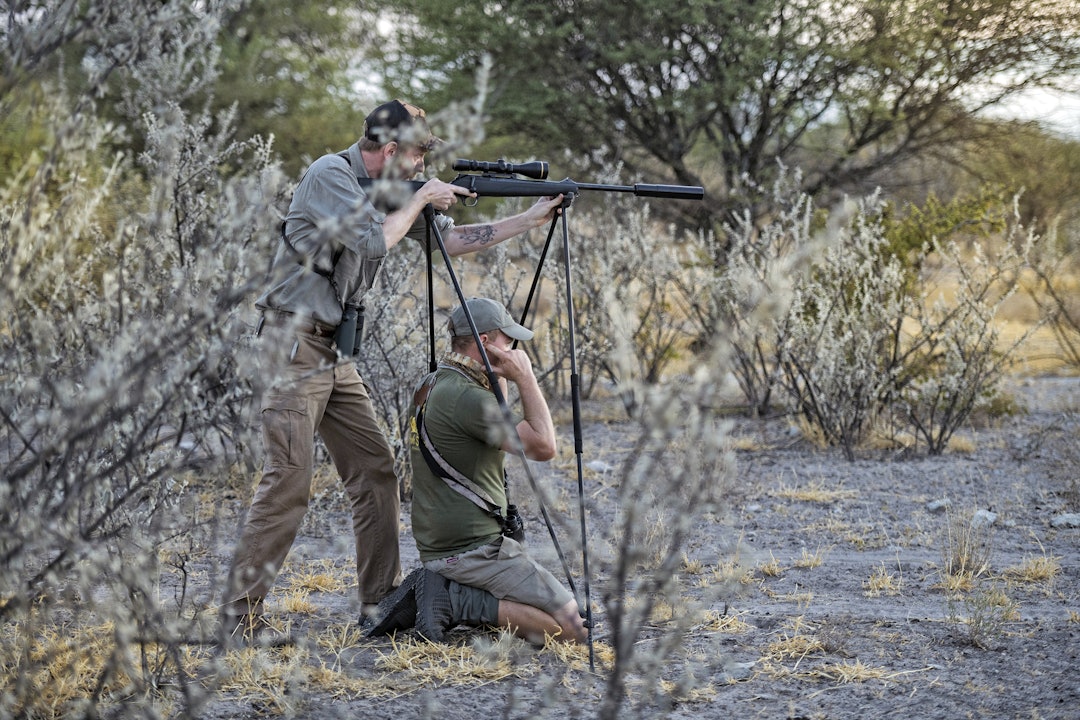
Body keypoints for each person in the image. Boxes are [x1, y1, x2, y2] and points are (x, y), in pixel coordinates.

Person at [220, 100, 565, 644]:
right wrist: (424, 197)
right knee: (289, 479)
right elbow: (374, 240)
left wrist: (528, 218)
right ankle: (238, 620)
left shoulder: (400, 192)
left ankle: (379, 603)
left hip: (335, 351)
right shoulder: (329, 175)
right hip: (293, 345)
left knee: (376, 470)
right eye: (414, 157)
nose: (419, 168)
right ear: (386, 151)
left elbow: (447, 242)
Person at [403, 297, 587, 645]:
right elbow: (544, 447)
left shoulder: (434, 383)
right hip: (474, 550)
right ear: (485, 342)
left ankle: (451, 589)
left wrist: (498, 374)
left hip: (439, 545)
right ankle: (457, 601)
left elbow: (494, 421)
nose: (513, 348)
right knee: (575, 629)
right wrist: (526, 377)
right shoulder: (467, 399)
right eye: (507, 340)